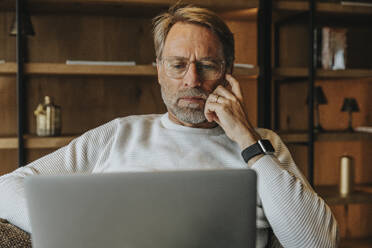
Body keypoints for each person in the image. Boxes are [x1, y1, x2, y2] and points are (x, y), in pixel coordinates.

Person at [0, 4, 338, 248]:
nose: (192, 80)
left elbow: (317, 242)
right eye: (178, 65)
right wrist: (79, 235)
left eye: (207, 65)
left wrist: (246, 139)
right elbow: (6, 188)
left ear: (228, 70)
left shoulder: (263, 143)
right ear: (158, 70)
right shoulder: (117, 135)